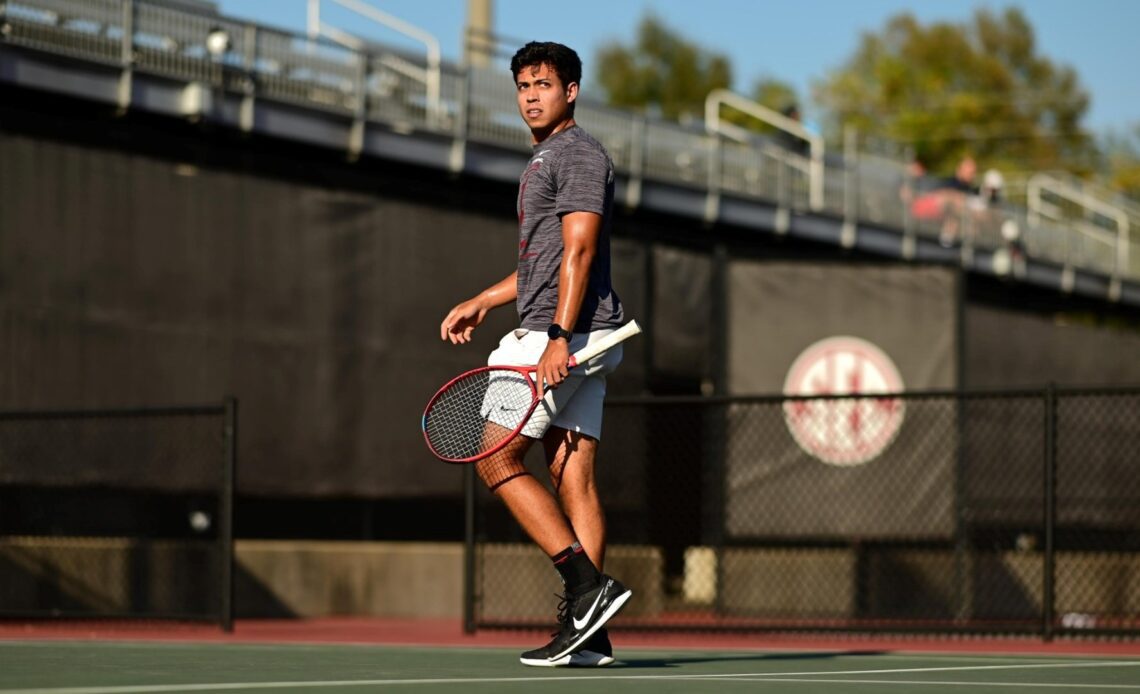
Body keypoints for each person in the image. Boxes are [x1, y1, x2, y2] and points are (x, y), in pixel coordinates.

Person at [439, 41, 632, 668]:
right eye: (523, 85)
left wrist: (555, 337)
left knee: (494, 457)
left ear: (570, 90)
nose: (530, 95)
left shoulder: (574, 154)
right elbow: (544, 266)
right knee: (571, 476)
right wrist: (484, 300)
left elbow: (578, 253)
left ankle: (586, 588)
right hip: (589, 334)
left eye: (543, 84)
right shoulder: (553, 157)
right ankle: (591, 635)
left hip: (566, 337)